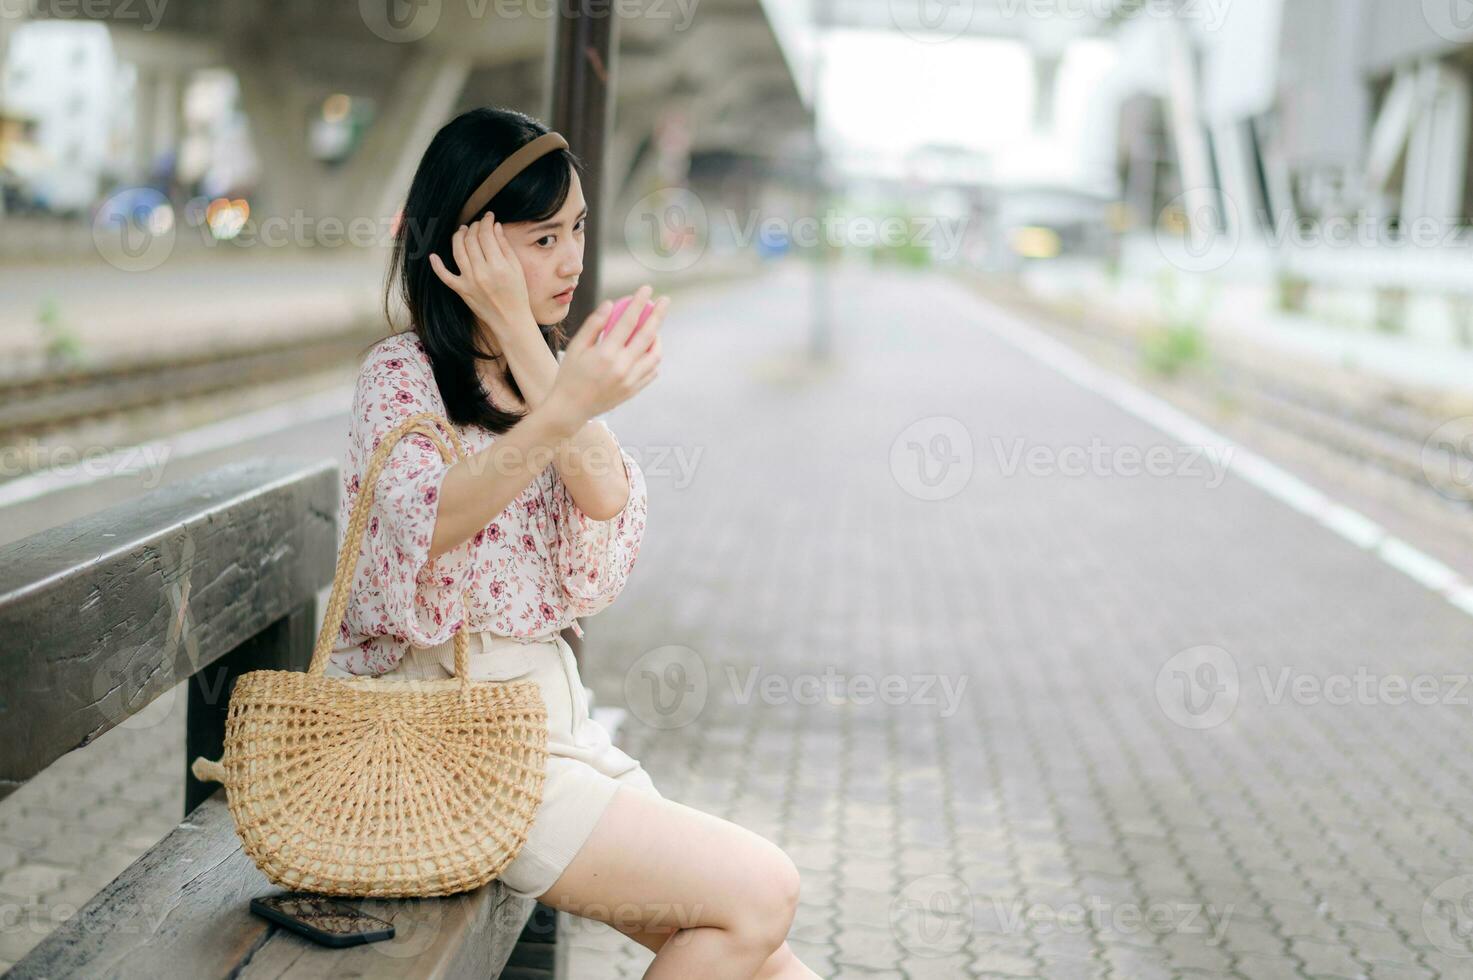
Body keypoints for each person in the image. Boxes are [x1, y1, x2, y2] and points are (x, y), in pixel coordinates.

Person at [327, 106, 819, 979]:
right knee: (762, 894)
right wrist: (561, 397)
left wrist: (528, 344)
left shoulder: (538, 362)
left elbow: (602, 495)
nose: (572, 259)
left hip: (551, 730)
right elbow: (432, 520)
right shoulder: (399, 377)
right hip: (452, 743)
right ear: (468, 245)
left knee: (770, 962)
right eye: (543, 237)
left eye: (579, 229)